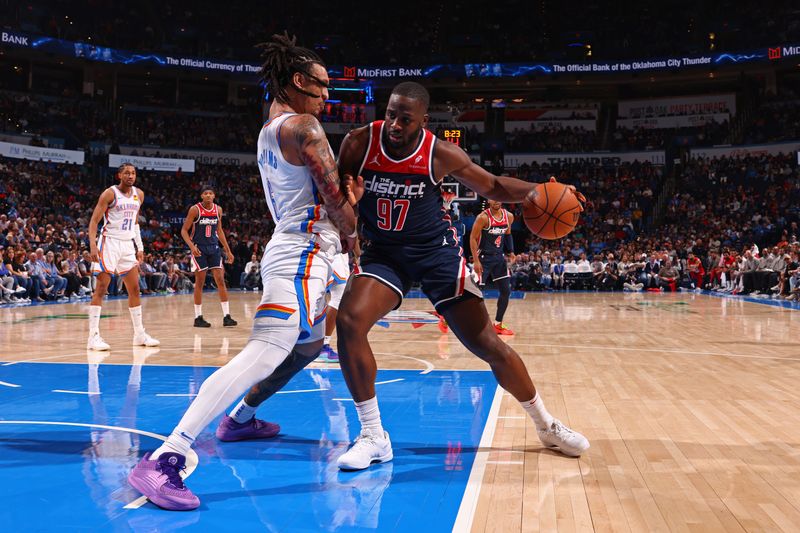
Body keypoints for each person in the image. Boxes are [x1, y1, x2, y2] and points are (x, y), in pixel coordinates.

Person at [128, 32, 357, 511]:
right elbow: (336, 201)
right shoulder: (306, 128)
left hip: (301, 248)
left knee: (310, 344)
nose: (327, 95)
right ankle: (167, 456)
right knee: (266, 349)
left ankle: (241, 416)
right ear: (297, 81)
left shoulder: (270, 126)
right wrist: (358, 239)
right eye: (321, 86)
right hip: (303, 252)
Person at [333, 81, 589, 471]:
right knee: (349, 322)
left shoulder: (441, 153)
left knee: (486, 344)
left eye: (405, 118)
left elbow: (494, 185)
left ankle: (546, 425)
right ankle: (373, 435)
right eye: (390, 114)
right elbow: (339, 198)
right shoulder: (357, 143)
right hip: (385, 255)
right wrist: (348, 211)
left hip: (437, 255)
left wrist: (538, 190)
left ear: (424, 120)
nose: (395, 125)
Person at [87, 163, 160, 350]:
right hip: (109, 242)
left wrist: (140, 247)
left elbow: (135, 223)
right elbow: (94, 220)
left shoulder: (139, 194)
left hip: (127, 245)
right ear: (119, 175)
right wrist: (93, 245)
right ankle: (93, 337)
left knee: (134, 289)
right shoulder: (109, 193)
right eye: (126, 173)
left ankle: (139, 334)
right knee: (102, 288)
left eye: (133, 173)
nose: (130, 176)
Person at [180, 188, 237, 328]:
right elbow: (183, 231)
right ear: (201, 196)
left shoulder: (218, 209)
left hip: (214, 248)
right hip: (200, 248)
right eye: (205, 193)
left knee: (221, 281)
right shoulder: (195, 209)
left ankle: (227, 316)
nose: (208, 195)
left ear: (214, 196)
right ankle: (198, 317)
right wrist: (192, 247)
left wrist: (228, 250)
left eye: (211, 193)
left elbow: (219, 231)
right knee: (200, 282)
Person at [469, 199, 515, 335]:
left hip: (499, 258)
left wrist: (511, 251)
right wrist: (476, 261)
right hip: (484, 258)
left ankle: (498, 324)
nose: (497, 201)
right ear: (489, 200)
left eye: (500, 197)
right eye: (494, 198)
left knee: (506, 291)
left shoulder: (509, 216)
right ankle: (450, 319)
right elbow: (472, 238)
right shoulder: (483, 217)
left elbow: (508, 234)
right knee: (472, 293)